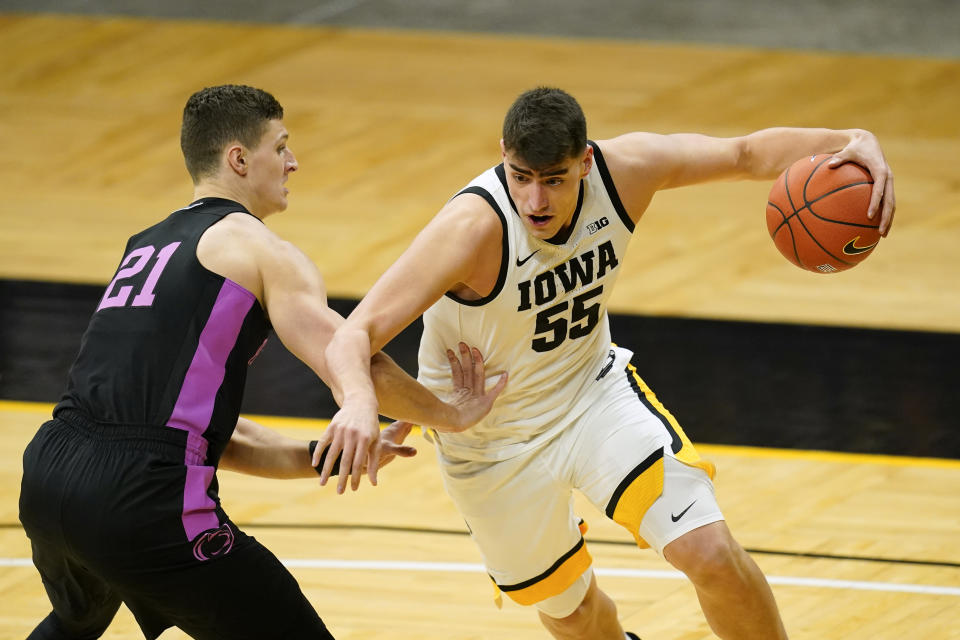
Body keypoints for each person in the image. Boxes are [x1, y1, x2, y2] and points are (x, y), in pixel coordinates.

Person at [318, 86, 896, 639]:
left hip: (593, 399)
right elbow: (351, 339)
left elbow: (743, 154)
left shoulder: (627, 171)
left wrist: (850, 137)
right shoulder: (469, 230)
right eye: (521, 178)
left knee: (710, 552)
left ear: (586, 162)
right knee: (571, 615)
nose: (535, 201)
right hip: (490, 445)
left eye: (554, 180)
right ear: (503, 158)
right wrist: (425, 412)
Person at [18, 84, 505, 640]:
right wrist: (452, 413)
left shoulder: (145, 245)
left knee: (74, 622)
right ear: (239, 159)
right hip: (139, 498)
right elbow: (354, 361)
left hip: (51, 474)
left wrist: (322, 456)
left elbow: (182, 431)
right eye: (281, 146)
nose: (293, 162)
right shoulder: (261, 250)